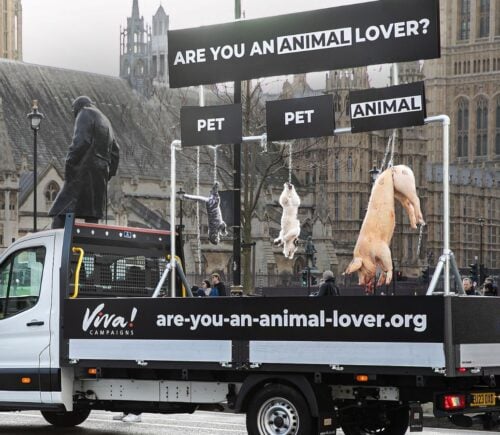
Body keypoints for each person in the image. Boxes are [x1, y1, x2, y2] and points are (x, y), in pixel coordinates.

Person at [49, 96, 120, 229]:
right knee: (91, 215)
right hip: (100, 174)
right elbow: (116, 151)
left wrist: (70, 163)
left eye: (73, 111)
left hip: (83, 172)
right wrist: (108, 174)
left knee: (60, 210)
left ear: (77, 107)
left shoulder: (84, 113)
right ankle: (90, 246)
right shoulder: (106, 121)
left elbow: (81, 141)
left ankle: (57, 242)